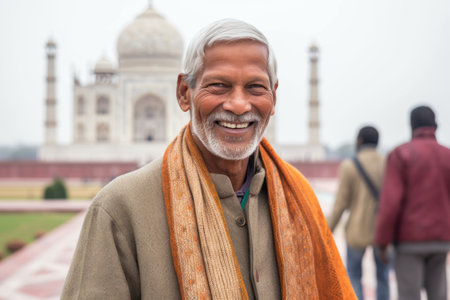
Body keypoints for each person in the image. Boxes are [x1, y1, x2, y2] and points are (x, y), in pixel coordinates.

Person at [62, 19, 356, 299]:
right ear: (183, 93)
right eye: (219, 85)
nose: (239, 105)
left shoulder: (299, 197)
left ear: (274, 98)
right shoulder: (121, 207)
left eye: (255, 87)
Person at [376, 105, 450, 300]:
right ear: (435, 125)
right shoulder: (447, 155)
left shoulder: (401, 154)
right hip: (441, 240)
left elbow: (390, 203)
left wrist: (382, 242)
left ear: (411, 125)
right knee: (439, 295)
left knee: (409, 295)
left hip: (410, 241)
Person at [327, 126, 389, 300]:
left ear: (360, 141)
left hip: (356, 232)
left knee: (354, 276)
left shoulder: (350, 166)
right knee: (382, 278)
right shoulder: (387, 163)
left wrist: (327, 230)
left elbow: (340, 204)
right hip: (382, 232)